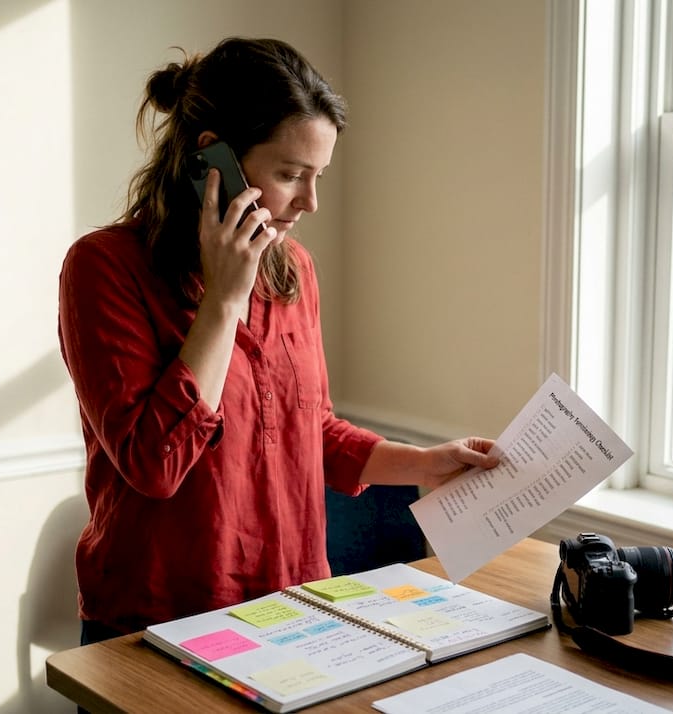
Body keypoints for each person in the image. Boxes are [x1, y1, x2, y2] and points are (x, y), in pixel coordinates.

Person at [58, 37, 498, 646]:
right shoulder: (103, 268)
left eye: (318, 176)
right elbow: (154, 466)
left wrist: (422, 463)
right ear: (212, 157)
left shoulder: (294, 270)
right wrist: (224, 300)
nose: (309, 202)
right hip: (155, 622)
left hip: (293, 607)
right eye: (291, 174)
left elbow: (309, 430)